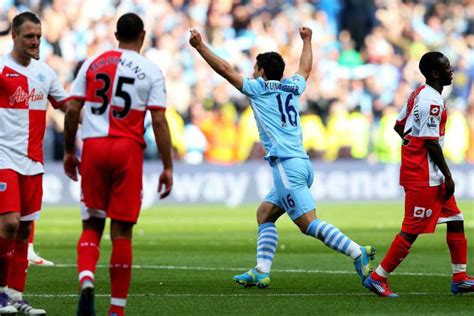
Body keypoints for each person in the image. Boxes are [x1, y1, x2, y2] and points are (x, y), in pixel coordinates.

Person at [189, 27, 375, 289]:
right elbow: (305, 69)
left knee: (308, 224)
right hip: (301, 163)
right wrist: (308, 40)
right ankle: (261, 271)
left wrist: (200, 47)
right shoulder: (292, 86)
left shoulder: (258, 88)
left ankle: (357, 251)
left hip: (287, 165)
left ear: (262, 72)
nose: (253, 73)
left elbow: (225, 70)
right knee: (265, 213)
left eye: (255, 69)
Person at [63, 13, 173, 316]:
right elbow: (159, 121)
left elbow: (72, 110)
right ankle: (116, 311)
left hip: (94, 147)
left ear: (115, 34)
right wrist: (167, 166)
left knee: (91, 226)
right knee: (122, 232)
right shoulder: (151, 70)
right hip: (127, 150)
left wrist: (69, 151)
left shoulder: (91, 63)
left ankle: (86, 279)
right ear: (142, 35)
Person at [364, 51, 473, 297]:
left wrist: (410, 146)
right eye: (446, 67)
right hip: (424, 176)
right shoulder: (431, 101)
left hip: (425, 171)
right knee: (412, 230)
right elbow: (431, 142)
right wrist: (448, 175)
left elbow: (398, 125)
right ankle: (377, 277)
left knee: (456, 219)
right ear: (435, 73)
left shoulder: (419, 94)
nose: (451, 70)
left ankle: (460, 278)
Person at [0, 11, 69, 315]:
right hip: (4, 158)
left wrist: (91, 108)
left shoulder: (45, 73)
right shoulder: (1, 68)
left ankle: (15, 296)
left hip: (33, 163)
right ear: (14, 36)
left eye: (39, 36)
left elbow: (65, 105)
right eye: (29, 36)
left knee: (25, 232)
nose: (35, 42)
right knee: (9, 223)